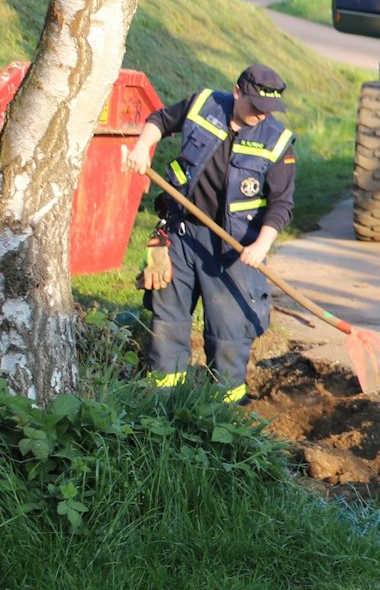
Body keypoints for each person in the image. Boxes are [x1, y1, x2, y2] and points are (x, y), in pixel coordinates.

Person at [122, 64, 296, 403]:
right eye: (255, 106)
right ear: (237, 92)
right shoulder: (203, 105)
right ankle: (162, 404)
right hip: (181, 235)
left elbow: (282, 204)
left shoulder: (277, 142)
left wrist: (261, 245)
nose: (261, 115)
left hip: (235, 248)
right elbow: (160, 120)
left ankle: (224, 413)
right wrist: (142, 146)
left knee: (229, 331)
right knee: (167, 321)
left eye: (268, 109)